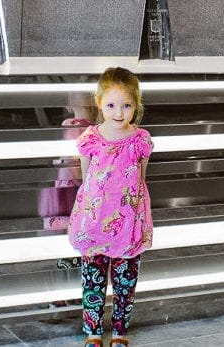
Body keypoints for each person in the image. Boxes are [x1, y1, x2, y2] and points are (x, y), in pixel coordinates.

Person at [67, 67, 154, 347]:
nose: (119, 112)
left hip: (127, 222)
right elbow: (86, 179)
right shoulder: (91, 140)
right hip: (94, 222)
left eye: (127, 105)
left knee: (125, 280)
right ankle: (93, 331)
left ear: (136, 106)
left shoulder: (140, 141)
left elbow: (140, 180)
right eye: (112, 105)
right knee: (92, 278)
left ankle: (119, 330)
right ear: (99, 103)